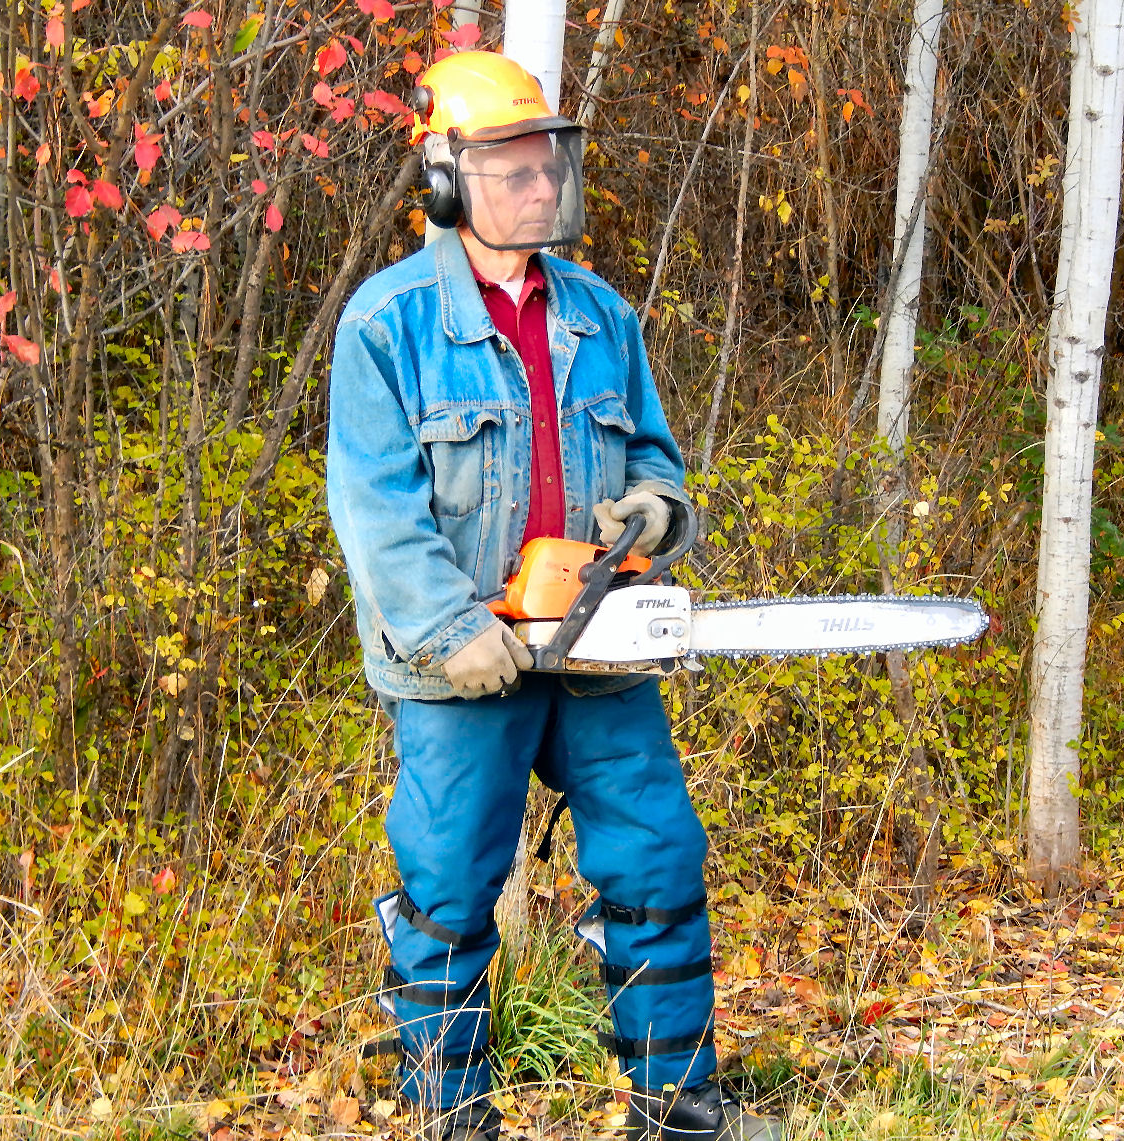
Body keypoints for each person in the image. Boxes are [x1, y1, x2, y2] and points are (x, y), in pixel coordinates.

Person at [326, 50, 782, 1141]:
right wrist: (448, 629)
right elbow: (376, 507)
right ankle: (452, 1118)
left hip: (593, 649)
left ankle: (677, 1109)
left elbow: (657, 462)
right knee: (445, 892)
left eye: (546, 165)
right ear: (445, 179)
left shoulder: (601, 316)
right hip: (463, 666)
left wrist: (656, 513)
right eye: (512, 168)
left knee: (659, 858)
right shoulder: (386, 328)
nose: (539, 186)